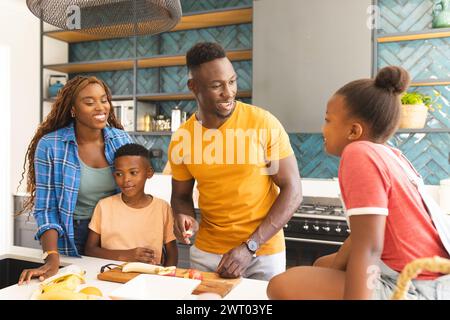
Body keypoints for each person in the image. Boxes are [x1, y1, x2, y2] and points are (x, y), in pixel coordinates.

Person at [267, 66, 450, 299]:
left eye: (328, 120)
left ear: (353, 131)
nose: (323, 128)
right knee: (323, 264)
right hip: (435, 280)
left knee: (281, 285)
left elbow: (370, 247)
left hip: (414, 287)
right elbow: (362, 236)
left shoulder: (358, 153)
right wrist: (329, 271)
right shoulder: (391, 154)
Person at [168, 42, 302, 281]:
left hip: (263, 254)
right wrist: (183, 216)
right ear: (193, 86)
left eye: (232, 81)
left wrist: (249, 247)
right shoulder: (182, 138)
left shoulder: (263, 123)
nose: (228, 92)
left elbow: (293, 190)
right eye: (217, 86)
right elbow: (180, 196)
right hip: (207, 254)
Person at [18, 76, 132, 284]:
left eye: (104, 100)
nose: (100, 107)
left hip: (113, 235)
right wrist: (52, 257)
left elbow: (133, 195)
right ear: (73, 110)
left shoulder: (122, 140)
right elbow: (46, 208)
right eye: (89, 102)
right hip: (70, 235)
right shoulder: (50, 145)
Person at [84, 143, 178, 267]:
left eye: (133, 173)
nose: (126, 179)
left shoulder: (162, 208)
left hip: (148, 279)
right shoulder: (104, 206)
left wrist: (166, 277)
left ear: (149, 172)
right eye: (119, 174)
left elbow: (172, 253)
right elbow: (89, 250)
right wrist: (127, 255)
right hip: (110, 276)